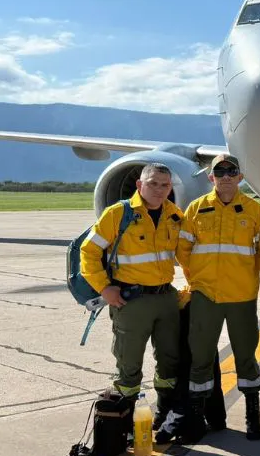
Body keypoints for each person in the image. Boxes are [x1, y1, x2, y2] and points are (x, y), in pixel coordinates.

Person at [169, 153, 260, 442]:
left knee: (246, 358)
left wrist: (244, 276)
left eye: (231, 171)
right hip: (205, 297)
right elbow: (183, 252)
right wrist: (197, 280)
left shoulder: (254, 211)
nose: (225, 176)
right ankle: (198, 417)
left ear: (240, 176)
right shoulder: (196, 209)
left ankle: (253, 417)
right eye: (219, 171)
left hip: (241, 297)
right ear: (211, 177)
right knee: (200, 358)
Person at [79, 163, 185, 427]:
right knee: (129, 364)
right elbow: (88, 251)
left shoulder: (174, 215)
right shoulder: (119, 214)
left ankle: (164, 412)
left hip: (165, 299)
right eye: (153, 184)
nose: (159, 190)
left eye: (165, 185)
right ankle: (124, 420)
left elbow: (188, 256)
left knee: (169, 360)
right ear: (140, 185)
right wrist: (104, 287)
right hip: (132, 300)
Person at [155, 285, 227, 444]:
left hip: (202, 295)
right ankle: (215, 417)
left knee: (194, 360)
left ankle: (191, 416)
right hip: (199, 294)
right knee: (202, 358)